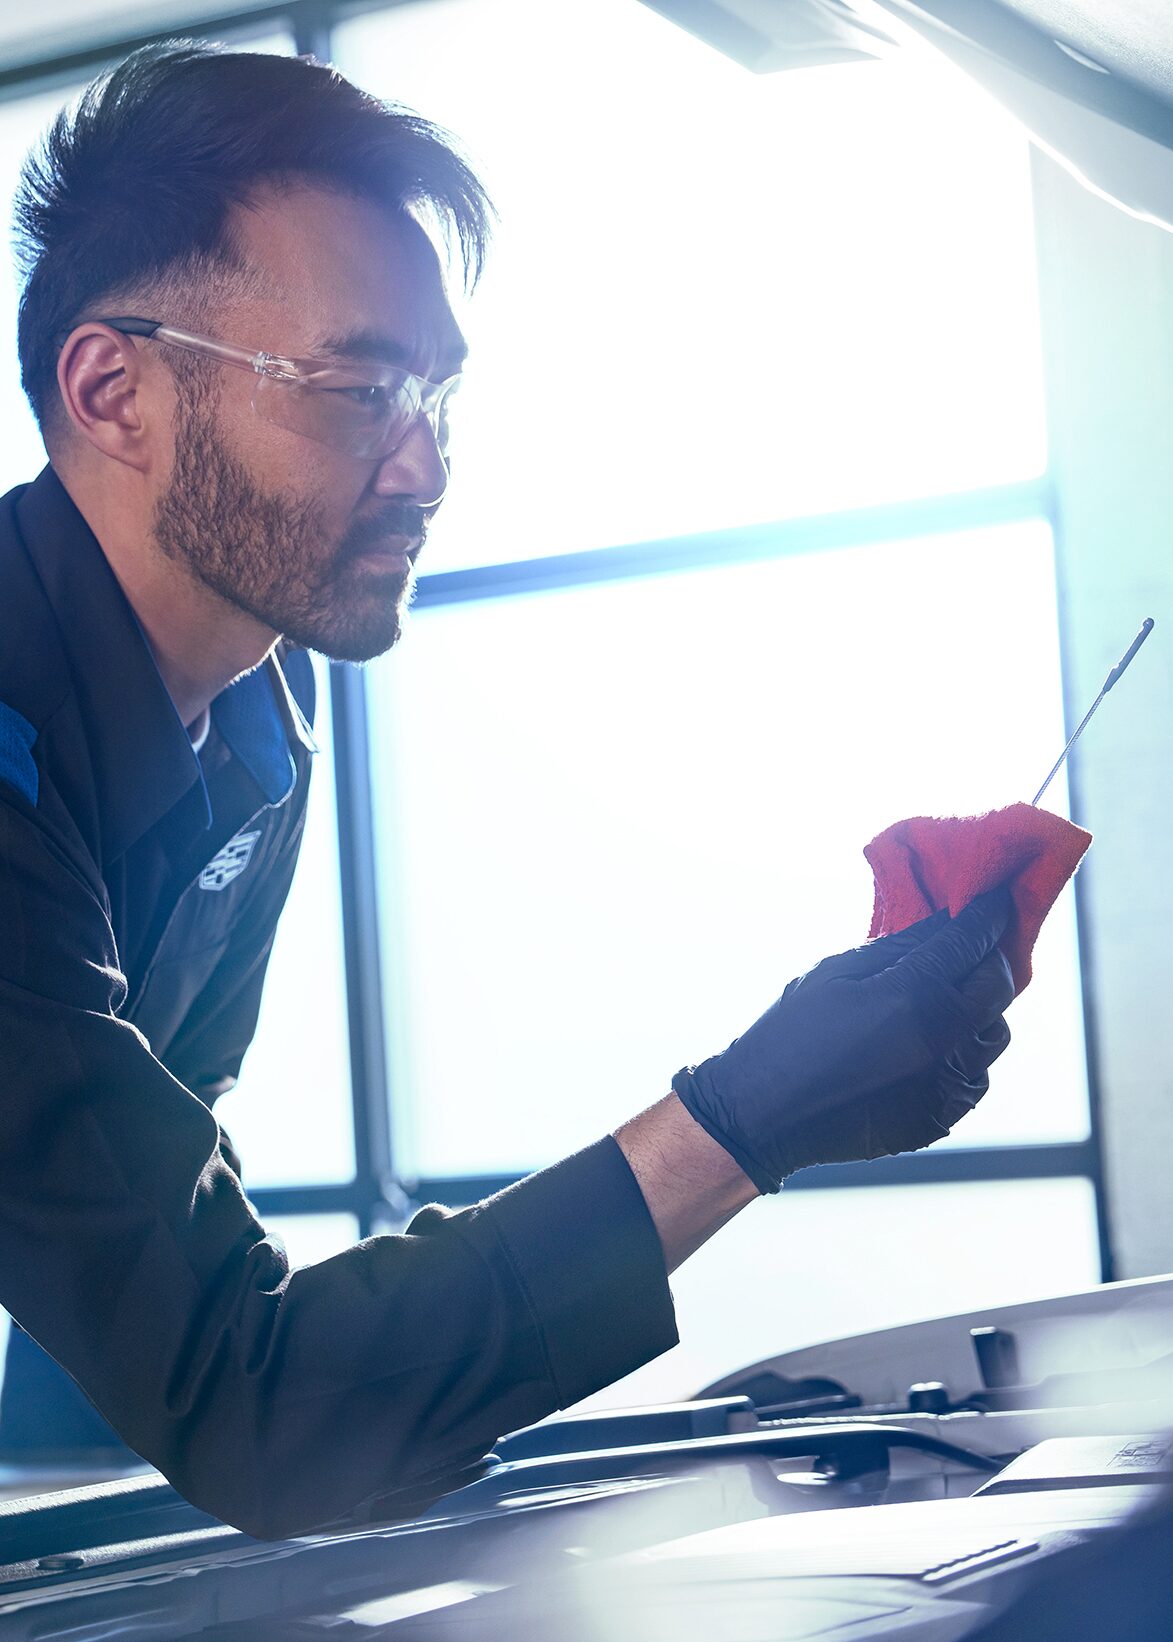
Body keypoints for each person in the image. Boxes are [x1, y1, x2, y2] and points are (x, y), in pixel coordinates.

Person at [0, 43, 1014, 1539]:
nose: (424, 469)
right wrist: (739, 1120)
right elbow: (248, 1395)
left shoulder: (258, 739)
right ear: (112, 389)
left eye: (436, 396)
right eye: (357, 392)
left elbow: (138, 1276)